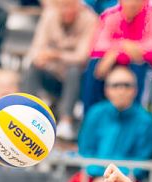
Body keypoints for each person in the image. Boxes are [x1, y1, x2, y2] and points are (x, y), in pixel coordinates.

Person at [67, 65, 152, 182]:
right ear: (107, 90)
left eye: (127, 85)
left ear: (135, 90)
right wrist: (100, 177)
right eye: (115, 85)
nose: (121, 90)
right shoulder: (95, 114)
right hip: (94, 174)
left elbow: (142, 158)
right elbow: (86, 150)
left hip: (127, 177)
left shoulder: (145, 120)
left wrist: (114, 178)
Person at [23, 0, 97, 140]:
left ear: (79, 6)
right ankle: (28, 112)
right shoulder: (49, 15)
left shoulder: (90, 19)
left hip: (78, 78)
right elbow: (36, 48)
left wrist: (56, 55)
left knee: (73, 70)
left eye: (71, 6)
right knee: (33, 66)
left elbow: (82, 57)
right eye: (63, 6)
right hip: (52, 72)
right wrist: (41, 57)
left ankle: (66, 120)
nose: (67, 10)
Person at [83, 0, 152, 109]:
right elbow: (98, 45)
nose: (132, 4)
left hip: (148, 68)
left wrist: (118, 50)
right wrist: (122, 47)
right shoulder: (111, 15)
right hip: (117, 63)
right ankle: (91, 114)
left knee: (138, 64)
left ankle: (136, 113)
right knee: (94, 65)